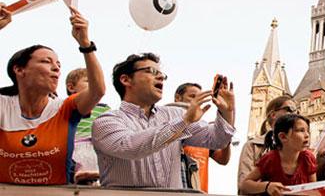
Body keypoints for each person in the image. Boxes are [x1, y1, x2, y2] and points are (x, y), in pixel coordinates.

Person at [92, 53, 235, 188]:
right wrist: (184, 121)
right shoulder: (105, 122)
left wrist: (226, 112)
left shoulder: (175, 114)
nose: (160, 77)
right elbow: (131, 148)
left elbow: (217, 140)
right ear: (125, 80)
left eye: (162, 74)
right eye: (151, 71)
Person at [0, 8, 105, 185]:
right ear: (19, 70)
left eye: (58, 64)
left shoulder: (65, 107)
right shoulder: (3, 105)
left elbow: (97, 91)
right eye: (46, 61)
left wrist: (85, 44)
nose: (56, 68)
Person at [168, 82, 232, 193]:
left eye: (200, 97)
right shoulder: (167, 125)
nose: (197, 100)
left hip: (200, 191)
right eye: (192, 96)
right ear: (177, 98)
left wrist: (224, 136)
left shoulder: (201, 132)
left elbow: (223, 159)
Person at [240, 114, 319, 196]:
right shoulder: (270, 159)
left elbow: (313, 189)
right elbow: (245, 185)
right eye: (301, 130)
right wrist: (267, 186)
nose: (307, 135)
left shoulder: (308, 158)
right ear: (283, 137)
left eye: (307, 131)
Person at [238, 95, 298, 194]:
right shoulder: (253, 146)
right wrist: (267, 187)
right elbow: (243, 185)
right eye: (290, 109)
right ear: (273, 115)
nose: (294, 114)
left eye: (297, 111)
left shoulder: (299, 148)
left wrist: (321, 157)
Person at [65, 67, 111, 185]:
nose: (95, 84)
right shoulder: (65, 107)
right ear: (71, 87)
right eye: (89, 81)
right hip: (74, 145)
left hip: (95, 146)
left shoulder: (104, 108)